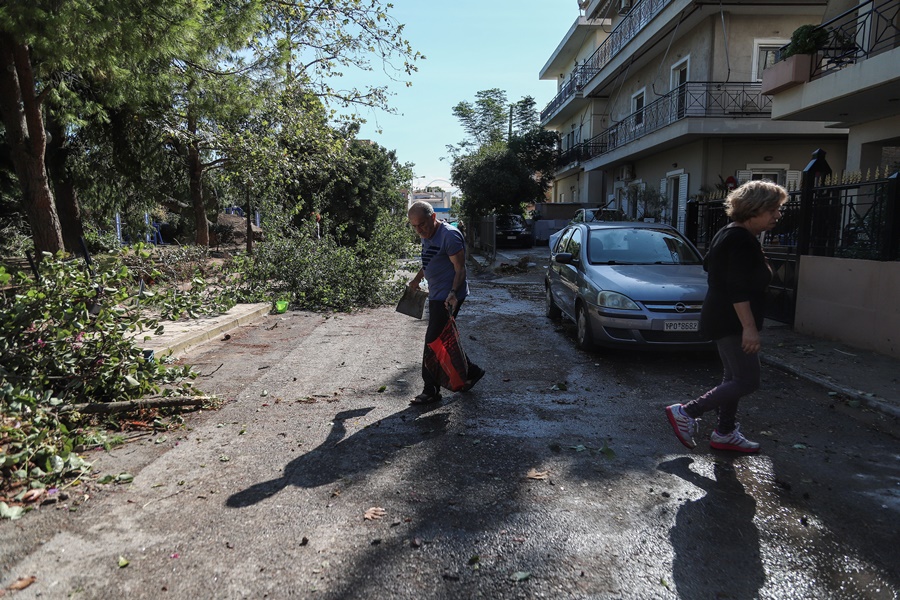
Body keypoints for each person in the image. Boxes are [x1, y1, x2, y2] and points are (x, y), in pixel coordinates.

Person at [666, 180, 788, 453]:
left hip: (722, 318)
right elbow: (736, 287)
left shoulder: (729, 233)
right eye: (774, 210)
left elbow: (711, 265)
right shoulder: (740, 239)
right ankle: (686, 412)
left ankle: (725, 432)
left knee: (732, 378)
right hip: (731, 322)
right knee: (747, 380)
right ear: (755, 208)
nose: (777, 216)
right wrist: (749, 328)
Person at [406, 201, 485, 405]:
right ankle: (472, 372)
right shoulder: (426, 235)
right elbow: (429, 262)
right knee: (441, 339)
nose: (418, 230)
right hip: (436, 295)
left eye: (421, 224)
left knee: (432, 342)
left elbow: (460, 269)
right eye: (414, 226)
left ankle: (430, 390)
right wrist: (416, 280)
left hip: (449, 296)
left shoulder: (450, 236)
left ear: (433, 218)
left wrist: (452, 294)